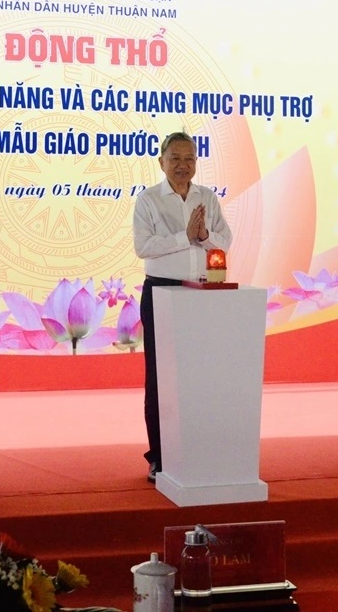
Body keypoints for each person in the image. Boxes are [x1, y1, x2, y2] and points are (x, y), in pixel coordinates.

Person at [132, 132, 232, 482]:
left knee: (198, 375)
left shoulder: (207, 197)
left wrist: (203, 236)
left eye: (189, 158)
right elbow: (143, 247)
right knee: (160, 377)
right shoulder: (148, 200)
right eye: (175, 158)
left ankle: (197, 449)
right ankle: (159, 455)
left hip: (201, 292)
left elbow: (225, 240)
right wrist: (185, 237)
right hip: (161, 291)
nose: (182, 165)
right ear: (161, 162)